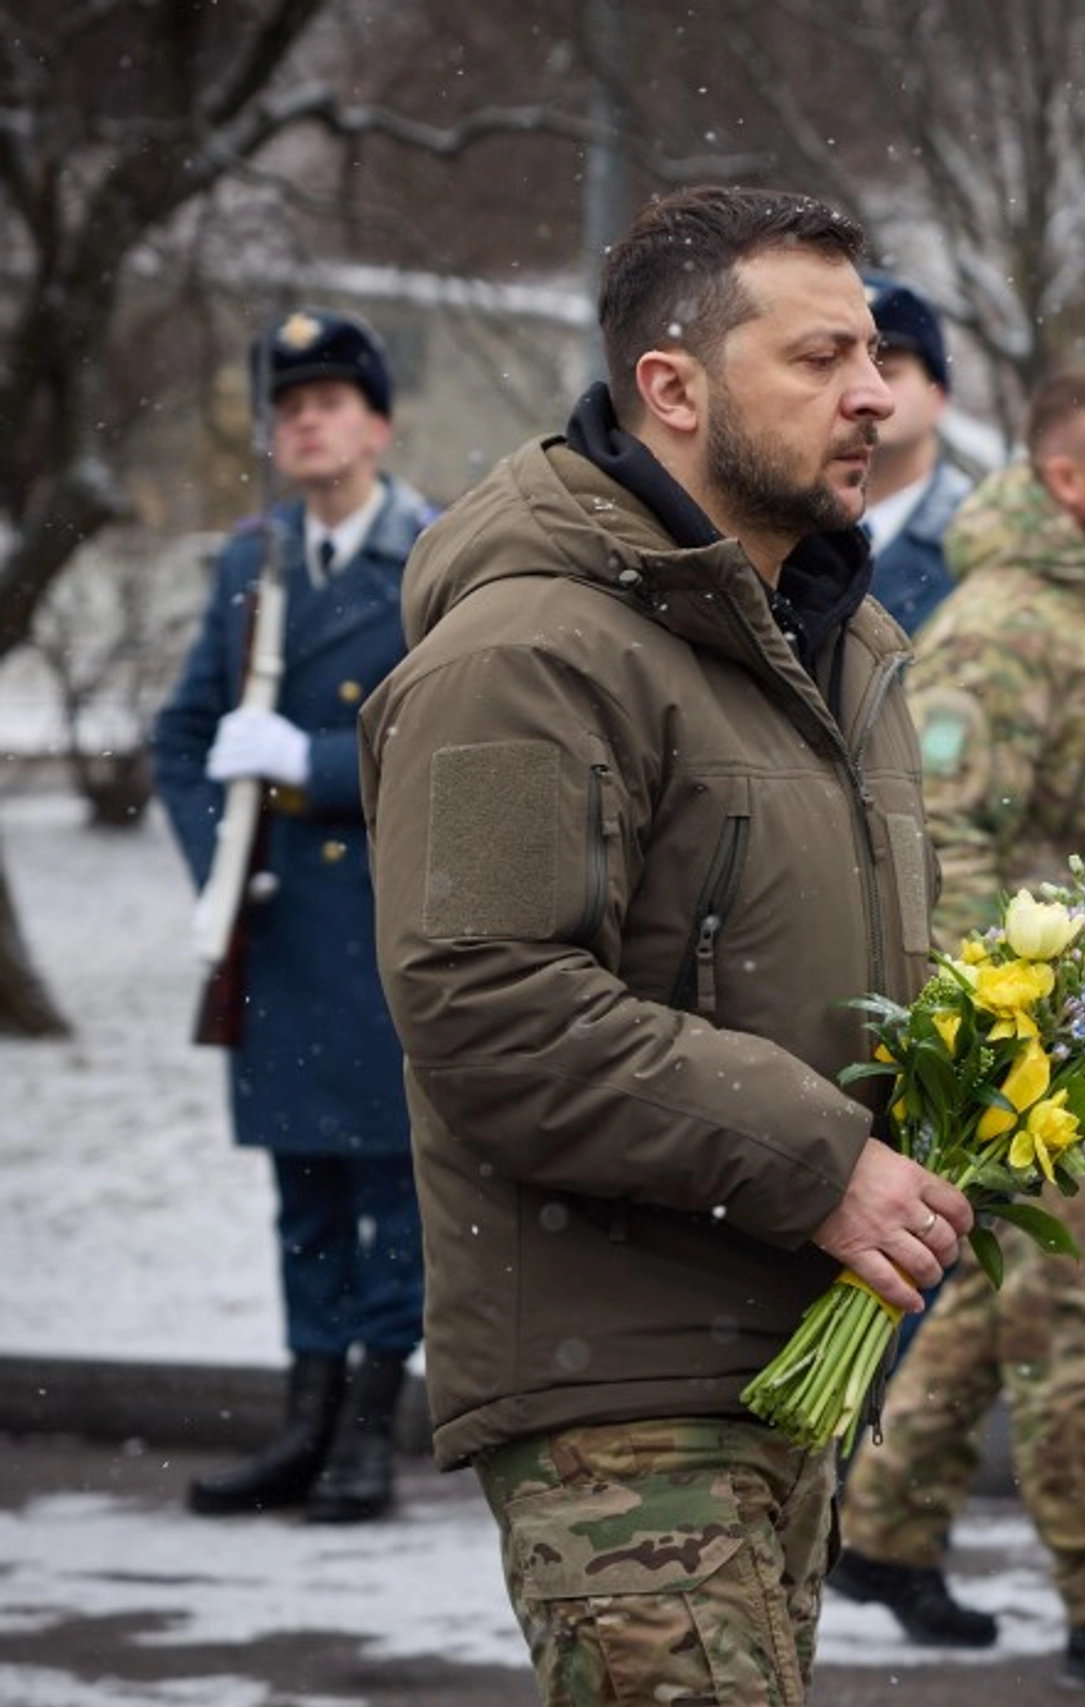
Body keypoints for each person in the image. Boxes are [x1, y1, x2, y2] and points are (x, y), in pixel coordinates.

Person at [357, 185, 972, 1705]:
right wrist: (824, 1160)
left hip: (778, 1352)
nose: (877, 395)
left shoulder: (829, 642)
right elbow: (489, 999)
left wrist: (1009, 1046)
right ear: (673, 388)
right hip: (620, 1380)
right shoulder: (526, 654)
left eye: (878, 353)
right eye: (823, 357)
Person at [829, 366, 1085, 1701]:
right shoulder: (1002, 627)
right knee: (1069, 1318)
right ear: (1066, 480)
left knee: (1001, 1296)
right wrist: (993, 1035)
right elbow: (942, 839)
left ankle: (882, 1528)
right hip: (1019, 1039)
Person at [151, 307, 435, 1526]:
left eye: (328, 402)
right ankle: (304, 1430)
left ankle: (371, 1433)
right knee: (304, 1197)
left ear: (377, 424)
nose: (303, 422)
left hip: (387, 929)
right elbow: (180, 738)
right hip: (282, 934)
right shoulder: (248, 564)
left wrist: (315, 765)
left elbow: (455, 751)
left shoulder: (431, 559)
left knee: (397, 1195)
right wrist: (230, 862)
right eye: (288, 407)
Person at [861, 273, 973, 632]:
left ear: (938, 396)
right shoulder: (778, 532)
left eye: (887, 372)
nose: (865, 392)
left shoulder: (980, 539)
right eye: (829, 367)